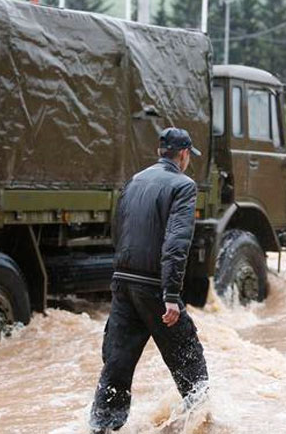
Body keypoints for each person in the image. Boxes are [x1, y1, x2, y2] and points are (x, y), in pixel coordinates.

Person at [89, 127, 209, 434]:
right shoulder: (183, 186)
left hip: (123, 283)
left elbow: (118, 231)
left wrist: (122, 278)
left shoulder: (135, 180)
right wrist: (171, 295)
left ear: (160, 152)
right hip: (154, 286)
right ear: (183, 155)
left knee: (116, 367)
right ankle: (201, 423)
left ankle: (102, 427)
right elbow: (176, 243)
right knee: (189, 359)